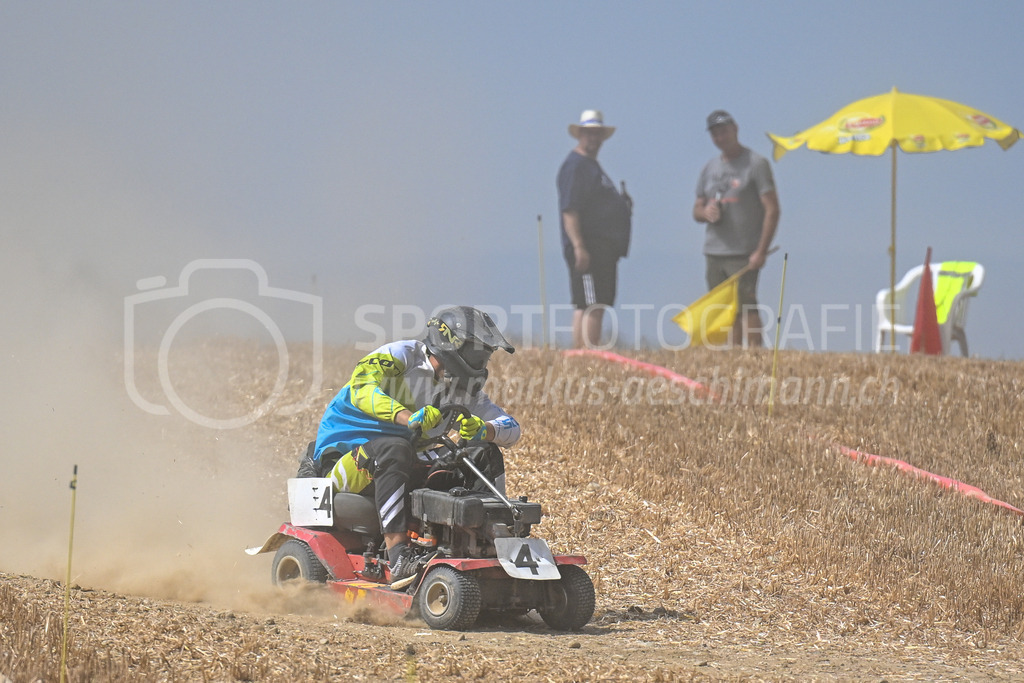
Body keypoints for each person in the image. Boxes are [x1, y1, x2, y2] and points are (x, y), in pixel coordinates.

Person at [309, 306, 520, 585]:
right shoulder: (401, 355)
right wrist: (408, 417)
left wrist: (486, 429)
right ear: (450, 343)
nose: (481, 363)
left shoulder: (461, 389)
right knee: (396, 448)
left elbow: (512, 428)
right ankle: (398, 556)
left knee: (483, 452)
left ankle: (495, 543)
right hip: (343, 463)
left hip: (404, 462)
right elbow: (362, 390)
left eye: (485, 356)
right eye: (477, 354)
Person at [692, 110, 780, 348]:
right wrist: (706, 212)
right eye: (715, 134)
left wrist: (761, 250)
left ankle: (755, 355)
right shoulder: (709, 169)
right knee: (723, 310)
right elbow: (696, 209)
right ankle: (734, 355)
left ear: (735, 129)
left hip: (744, 251)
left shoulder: (756, 164)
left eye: (724, 131)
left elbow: (772, 209)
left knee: (747, 306)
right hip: (715, 251)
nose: (720, 137)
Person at [557, 109, 633, 349]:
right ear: (580, 134)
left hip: (602, 248)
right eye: (589, 133)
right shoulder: (576, 166)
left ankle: (585, 351)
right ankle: (587, 354)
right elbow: (569, 209)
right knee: (591, 303)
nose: (593, 138)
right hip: (589, 246)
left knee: (592, 302)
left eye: (597, 133)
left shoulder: (591, 166)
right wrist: (579, 246)